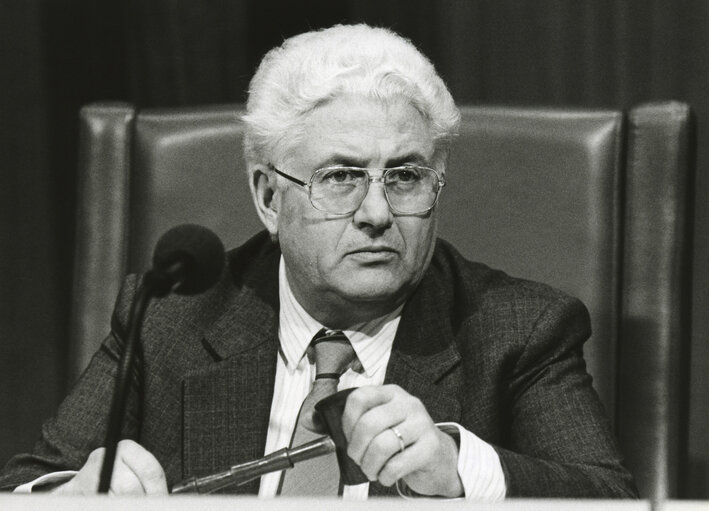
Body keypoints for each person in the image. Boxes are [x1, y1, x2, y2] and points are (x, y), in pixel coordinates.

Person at [0, 24, 637, 500]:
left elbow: (610, 498)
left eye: (407, 176)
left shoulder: (517, 328)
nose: (378, 212)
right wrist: (70, 497)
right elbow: (24, 486)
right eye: (341, 176)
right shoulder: (171, 318)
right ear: (269, 197)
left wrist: (457, 465)